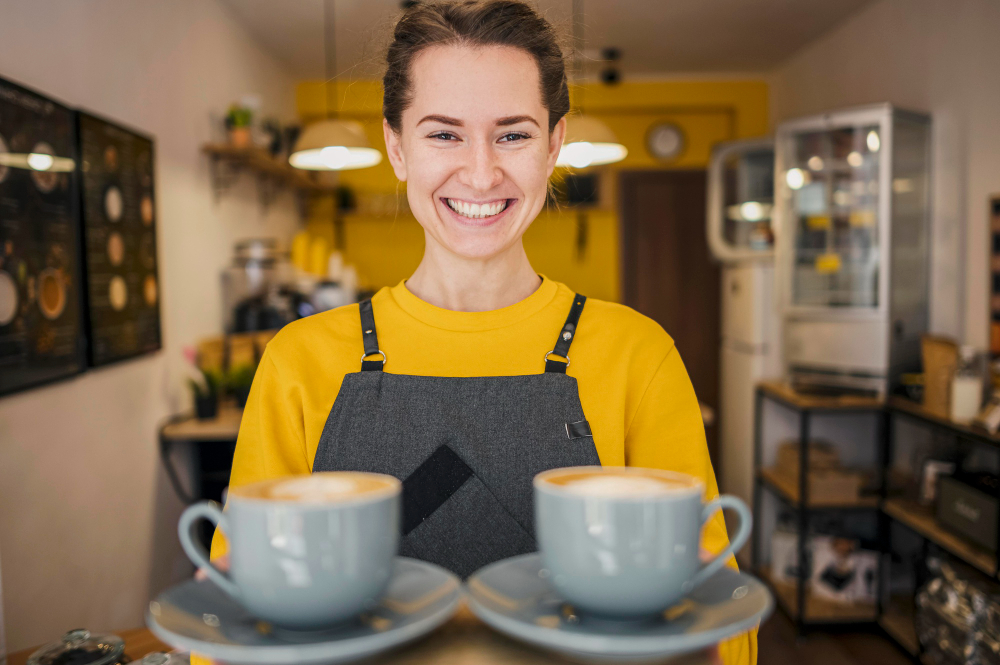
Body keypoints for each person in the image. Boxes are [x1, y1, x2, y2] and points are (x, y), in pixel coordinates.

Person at [211, 2, 755, 663]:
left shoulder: (639, 355)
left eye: (513, 135)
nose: (479, 173)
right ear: (395, 145)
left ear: (554, 144)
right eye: (444, 134)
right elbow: (232, 631)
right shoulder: (298, 362)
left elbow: (724, 630)